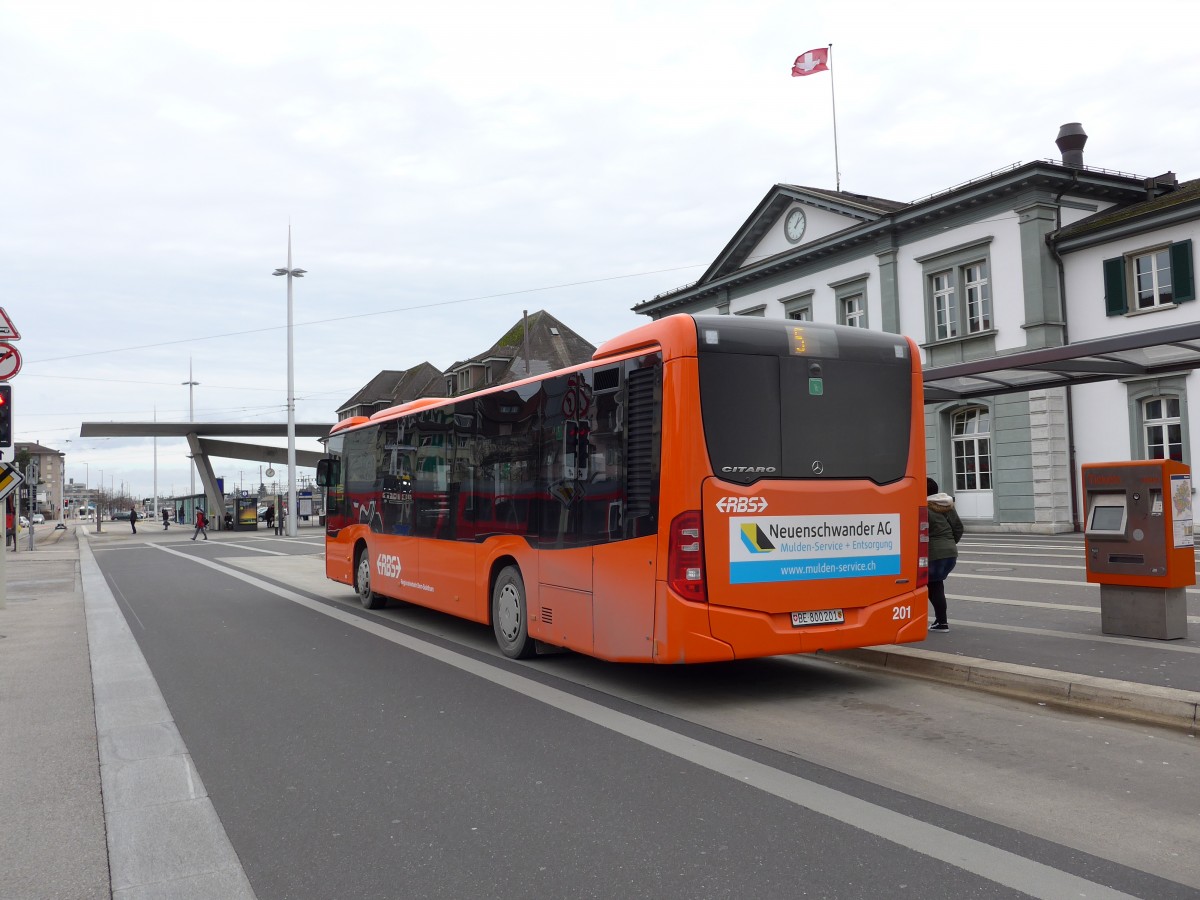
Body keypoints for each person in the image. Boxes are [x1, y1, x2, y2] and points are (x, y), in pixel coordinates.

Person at [927, 477, 963, 632]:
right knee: (937, 584)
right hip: (950, 553)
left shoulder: (924, 507)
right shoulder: (947, 505)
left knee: (933, 586)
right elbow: (958, 528)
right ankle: (941, 622)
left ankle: (941, 623)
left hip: (934, 554)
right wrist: (949, 544)